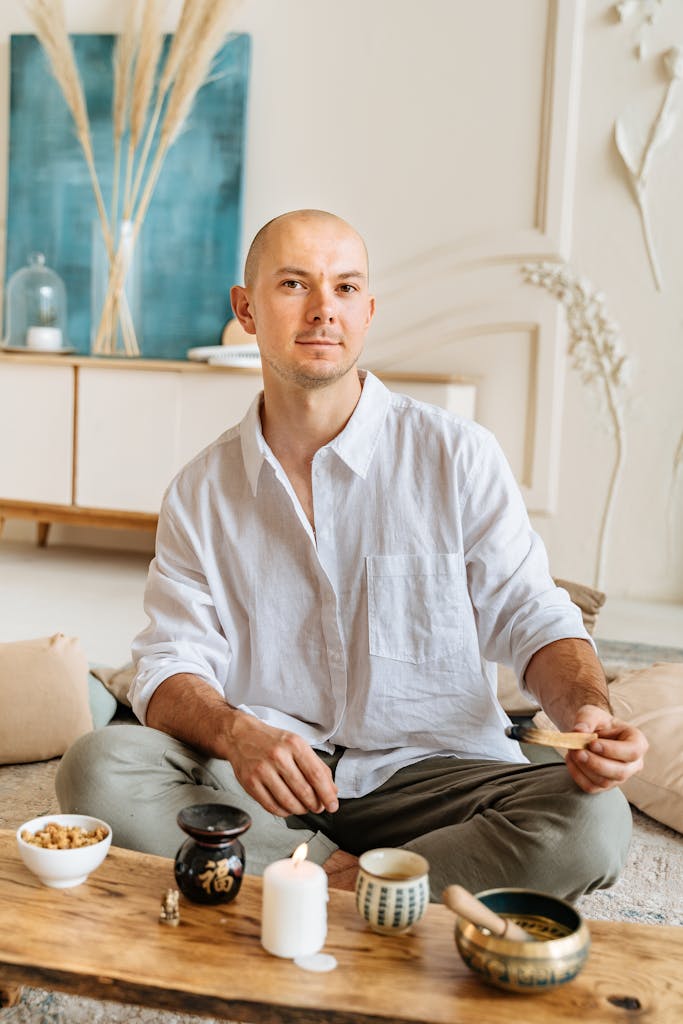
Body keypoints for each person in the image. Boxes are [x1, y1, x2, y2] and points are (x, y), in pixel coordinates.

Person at [57, 209, 647, 901]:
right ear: (245, 310)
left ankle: (308, 885)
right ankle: (389, 891)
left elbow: (531, 614)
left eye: (343, 289)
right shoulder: (201, 489)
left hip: (437, 770)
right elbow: (168, 663)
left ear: (367, 312)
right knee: (99, 768)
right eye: (293, 284)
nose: (321, 311)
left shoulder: (456, 454)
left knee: (591, 820)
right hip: (269, 775)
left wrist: (585, 713)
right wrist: (237, 734)